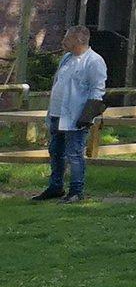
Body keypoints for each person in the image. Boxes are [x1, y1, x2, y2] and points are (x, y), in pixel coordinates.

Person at [33, 25, 106, 204]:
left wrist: (88, 116)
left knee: (74, 154)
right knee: (55, 152)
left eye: (67, 38)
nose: (63, 41)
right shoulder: (66, 58)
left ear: (78, 40)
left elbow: (97, 90)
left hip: (76, 116)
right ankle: (55, 186)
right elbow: (58, 83)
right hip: (57, 114)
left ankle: (76, 190)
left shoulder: (94, 61)